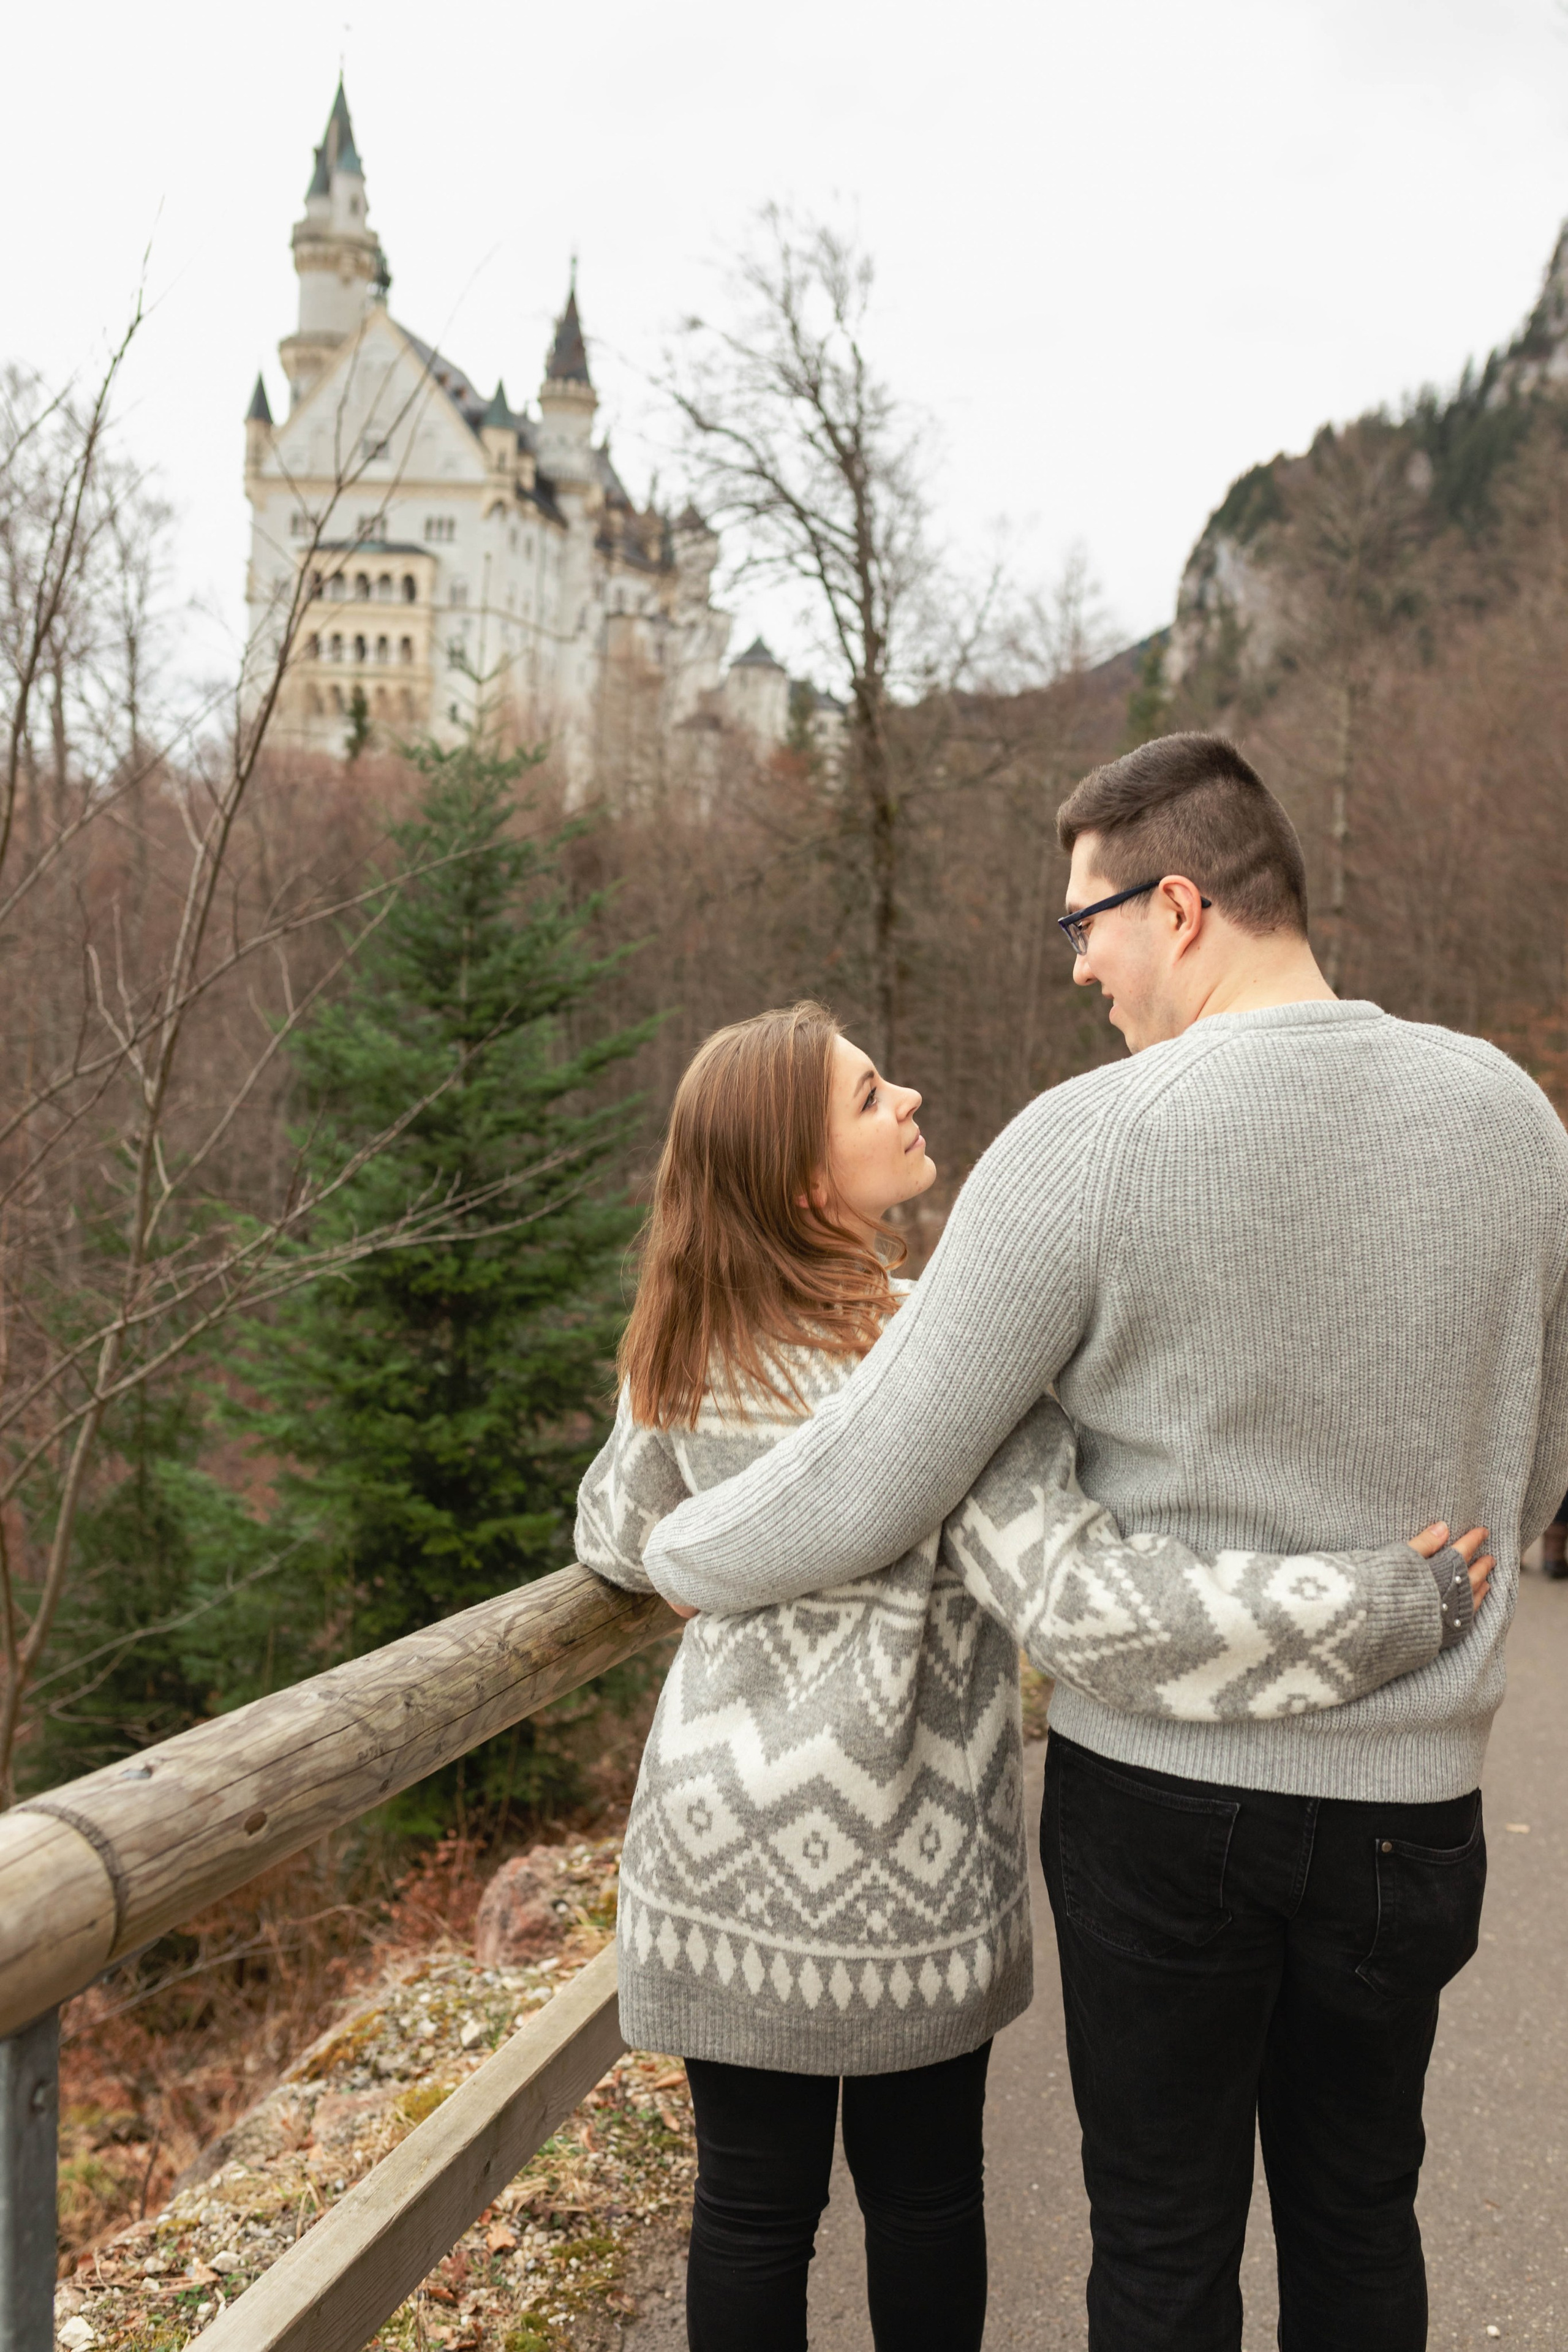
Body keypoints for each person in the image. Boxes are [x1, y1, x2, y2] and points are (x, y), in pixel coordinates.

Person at [639, 736, 1568, 2352]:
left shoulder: (1086, 1142)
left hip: (1165, 1801)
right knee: (1361, 2218)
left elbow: (877, 1476)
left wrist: (682, 1552)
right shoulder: (1513, 1117)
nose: (1080, 965)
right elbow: (1537, 1447)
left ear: (1184, 903)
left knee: (1161, 2242)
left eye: (1090, 921)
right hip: (1413, 1800)